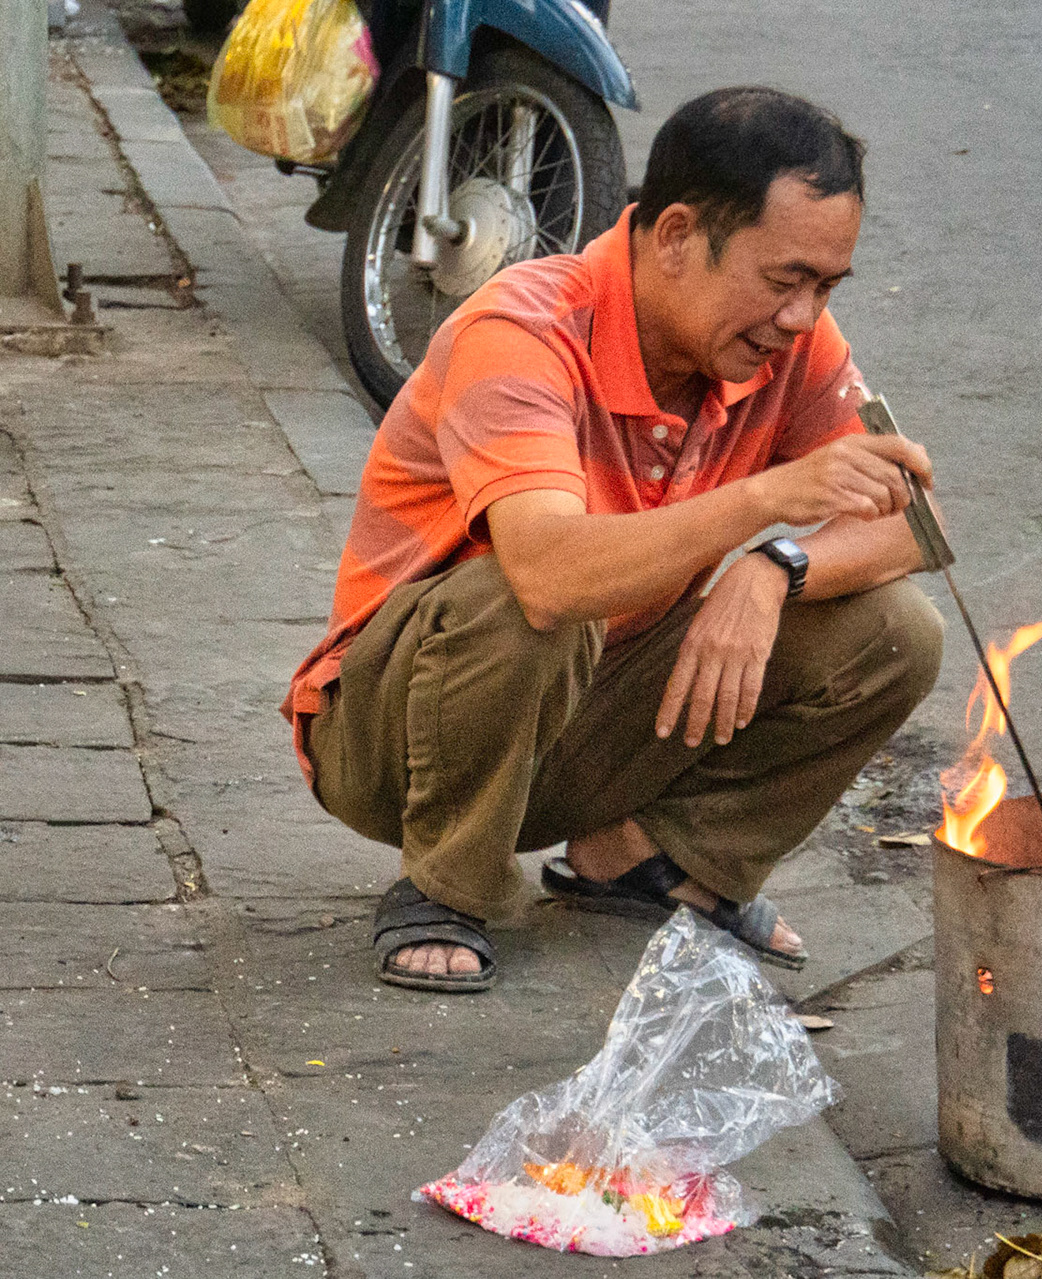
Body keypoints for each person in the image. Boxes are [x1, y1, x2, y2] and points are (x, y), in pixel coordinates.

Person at [280, 86, 944, 992]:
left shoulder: (786, 341)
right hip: (393, 738)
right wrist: (767, 500)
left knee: (897, 631)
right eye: (784, 280)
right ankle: (445, 885)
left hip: (582, 718)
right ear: (674, 236)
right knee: (530, 600)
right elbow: (549, 575)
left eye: (825, 287)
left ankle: (646, 857)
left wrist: (774, 563)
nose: (800, 317)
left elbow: (911, 522)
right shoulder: (522, 330)